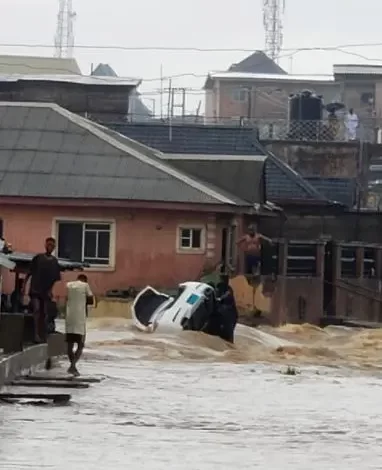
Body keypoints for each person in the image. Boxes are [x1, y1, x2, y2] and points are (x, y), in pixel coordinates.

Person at [24, 237, 61, 343]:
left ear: (54, 247)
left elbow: (55, 278)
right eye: (48, 244)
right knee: (36, 310)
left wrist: (50, 290)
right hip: (35, 289)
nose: (50, 247)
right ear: (45, 245)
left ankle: (43, 334)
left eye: (52, 245)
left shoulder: (54, 262)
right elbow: (29, 272)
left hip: (45, 292)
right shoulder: (38, 258)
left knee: (45, 313)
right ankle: (35, 334)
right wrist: (24, 287)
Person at [65, 274, 94, 376]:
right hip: (80, 319)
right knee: (80, 345)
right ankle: (72, 366)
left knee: (69, 345)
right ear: (85, 280)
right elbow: (90, 300)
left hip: (69, 318)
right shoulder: (85, 285)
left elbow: (67, 299)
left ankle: (73, 367)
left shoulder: (68, 285)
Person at [216, 275, 238, 343]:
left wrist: (220, 299)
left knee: (229, 335)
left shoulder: (228, 290)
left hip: (230, 315)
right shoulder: (220, 288)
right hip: (228, 315)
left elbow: (227, 295)